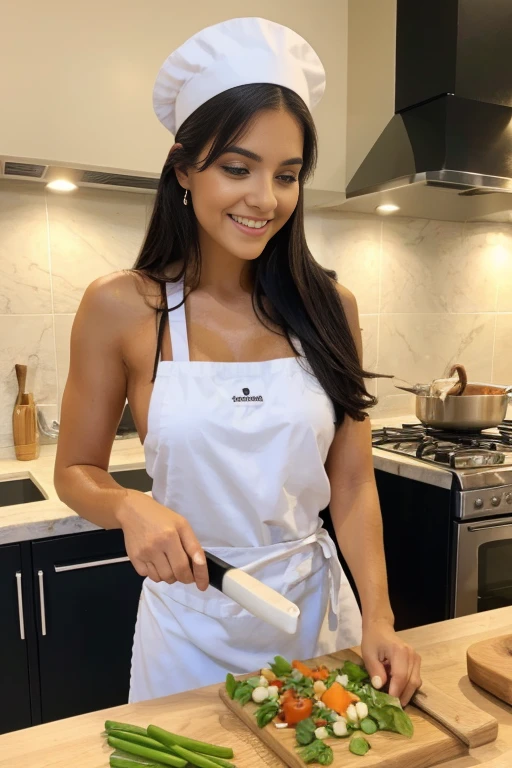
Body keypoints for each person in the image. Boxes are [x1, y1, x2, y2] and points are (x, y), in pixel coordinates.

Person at [54, 16, 422, 705]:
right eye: (237, 167)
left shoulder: (330, 307)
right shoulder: (122, 307)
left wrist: (380, 615)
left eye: (287, 175)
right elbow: (75, 470)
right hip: (188, 628)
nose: (265, 199)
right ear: (184, 166)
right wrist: (129, 505)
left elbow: (351, 484)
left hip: (317, 620)